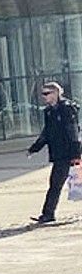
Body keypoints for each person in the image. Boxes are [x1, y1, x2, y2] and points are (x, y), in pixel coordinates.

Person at [27, 81, 82, 223]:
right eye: (43, 94)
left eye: (47, 93)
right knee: (56, 184)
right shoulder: (49, 111)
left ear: (56, 93)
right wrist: (34, 148)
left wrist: (76, 154)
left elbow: (73, 131)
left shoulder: (66, 109)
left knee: (63, 183)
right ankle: (48, 214)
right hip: (58, 154)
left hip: (68, 154)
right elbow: (47, 133)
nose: (44, 97)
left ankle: (48, 214)